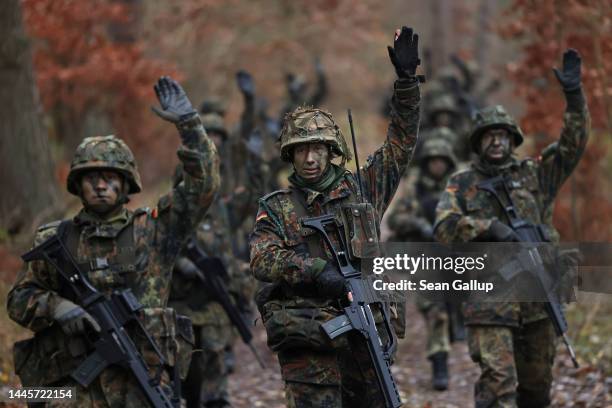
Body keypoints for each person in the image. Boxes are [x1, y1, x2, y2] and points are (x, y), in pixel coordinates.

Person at [8, 76, 220, 406]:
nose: (101, 186)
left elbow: (203, 186)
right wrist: (58, 307)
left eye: (110, 178)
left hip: (142, 385)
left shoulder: (154, 230)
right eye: (91, 178)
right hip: (72, 389)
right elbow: (19, 300)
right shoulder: (55, 240)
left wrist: (190, 125)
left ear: (126, 185)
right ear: (78, 186)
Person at [250, 26, 422, 407]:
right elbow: (262, 259)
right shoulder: (277, 205)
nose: (309, 159)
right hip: (308, 340)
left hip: (366, 336)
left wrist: (407, 83)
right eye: (300, 150)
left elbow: (401, 143)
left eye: (317, 149)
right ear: (290, 156)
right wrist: (315, 271)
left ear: (332, 151)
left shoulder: (364, 189)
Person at [434, 49, 589, 407]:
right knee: (498, 383)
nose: (497, 141)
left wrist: (575, 97)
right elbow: (444, 227)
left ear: (513, 139)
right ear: (477, 141)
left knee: (536, 388)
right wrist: (489, 228)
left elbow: (572, 146)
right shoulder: (462, 183)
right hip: (489, 297)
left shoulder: (535, 175)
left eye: (503, 134)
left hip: (537, 296)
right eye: (489, 135)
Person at [170, 108, 261, 408]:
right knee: (184, 369)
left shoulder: (221, 208)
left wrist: (255, 164)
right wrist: (186, 266)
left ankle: (217, 398)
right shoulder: (173, 209)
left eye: (220, 136)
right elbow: (161, 247)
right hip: (181, 300)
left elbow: (249, 201)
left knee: (214, 358)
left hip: (212, 300)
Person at [387, 135, 458, 390]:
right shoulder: (415, 187)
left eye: (441, 160)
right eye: (433, 160)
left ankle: (452, 335)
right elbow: (395, 220)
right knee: (436, 310)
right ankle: (440, 364)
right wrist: (419, 224)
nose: (437, 165)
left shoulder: (457, 185)